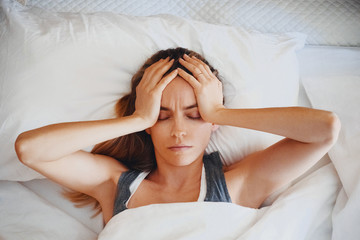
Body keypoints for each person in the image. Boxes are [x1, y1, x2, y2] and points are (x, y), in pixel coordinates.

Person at [14, 47, 341, 225]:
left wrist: (219, 113)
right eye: (162, 116)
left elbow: (325, 129)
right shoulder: (115, 183)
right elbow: (30, 149)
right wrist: (138, 117)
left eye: (195, 114)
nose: (179, 130)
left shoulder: (238, 184)